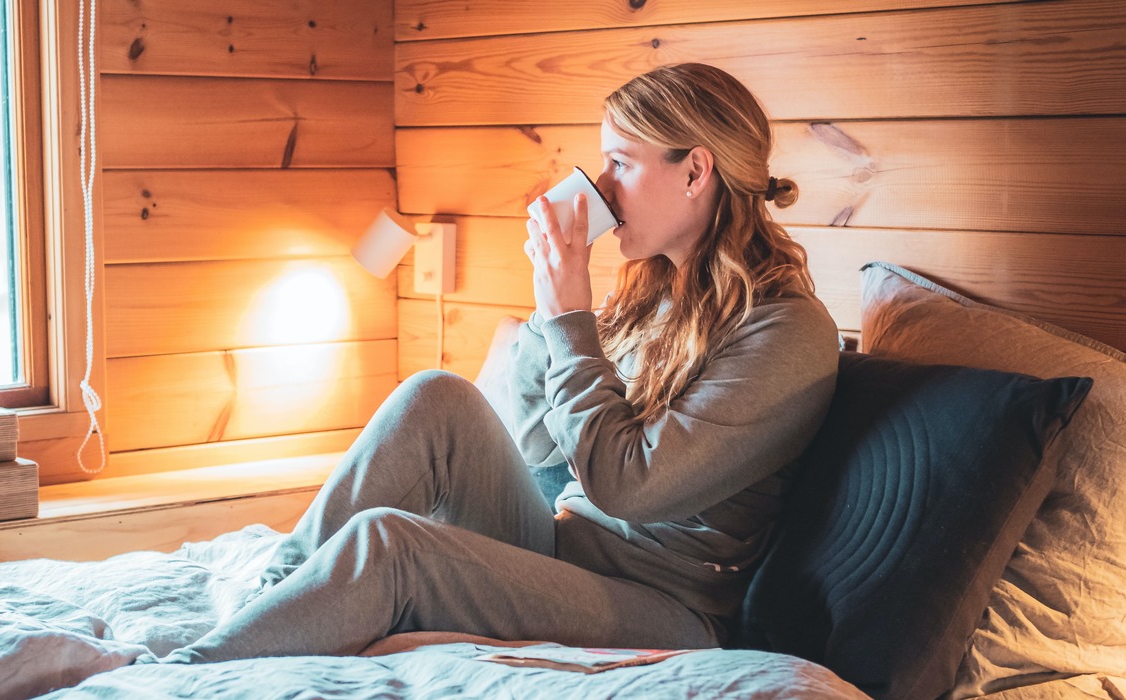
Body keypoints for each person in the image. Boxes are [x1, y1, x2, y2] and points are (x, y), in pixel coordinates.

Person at [167, 63, 839, 663]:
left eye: (621, 164)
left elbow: (624, 486)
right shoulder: (651, 291)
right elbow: (532, 438)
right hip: (564, 552)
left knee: (391, 545)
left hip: (660, 606)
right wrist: (549, 308)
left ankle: (178, 676)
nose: (601, 189)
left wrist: (572, 318)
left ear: (696, 172)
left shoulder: (788, 333)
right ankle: (265, 601)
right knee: (434, 395)